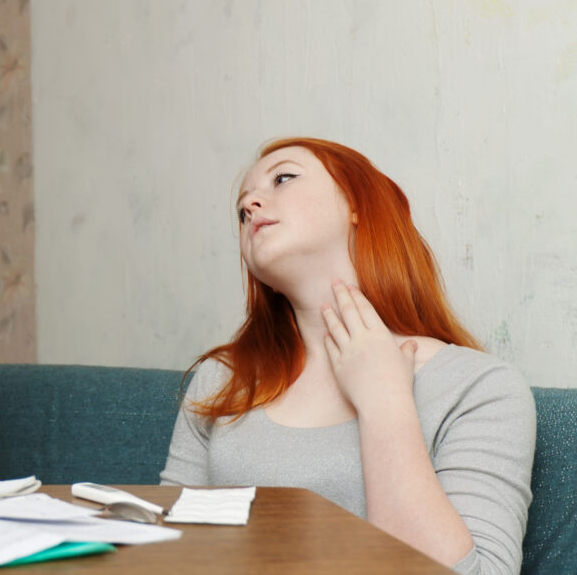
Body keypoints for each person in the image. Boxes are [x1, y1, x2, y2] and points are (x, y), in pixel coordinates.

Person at [161, 138, 535, 574]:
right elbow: (165, 552)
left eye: (283, 178)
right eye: (242, 208)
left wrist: (384, 401)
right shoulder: (220, 380)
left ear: (358, 205)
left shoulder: (480, 389)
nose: (251, 206)